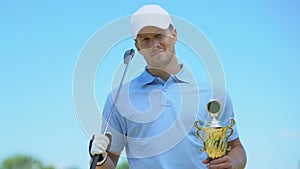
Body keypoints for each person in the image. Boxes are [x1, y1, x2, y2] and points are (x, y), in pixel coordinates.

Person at [89, 4, 247, 169]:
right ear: (138, 47)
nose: (154, 44)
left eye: (159, 35)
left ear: (174, 35)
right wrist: (100, 158)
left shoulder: (214, 93)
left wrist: (233, 162)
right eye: (145, 39)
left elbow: (236, 148)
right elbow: (110, 163)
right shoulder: (119, 98)